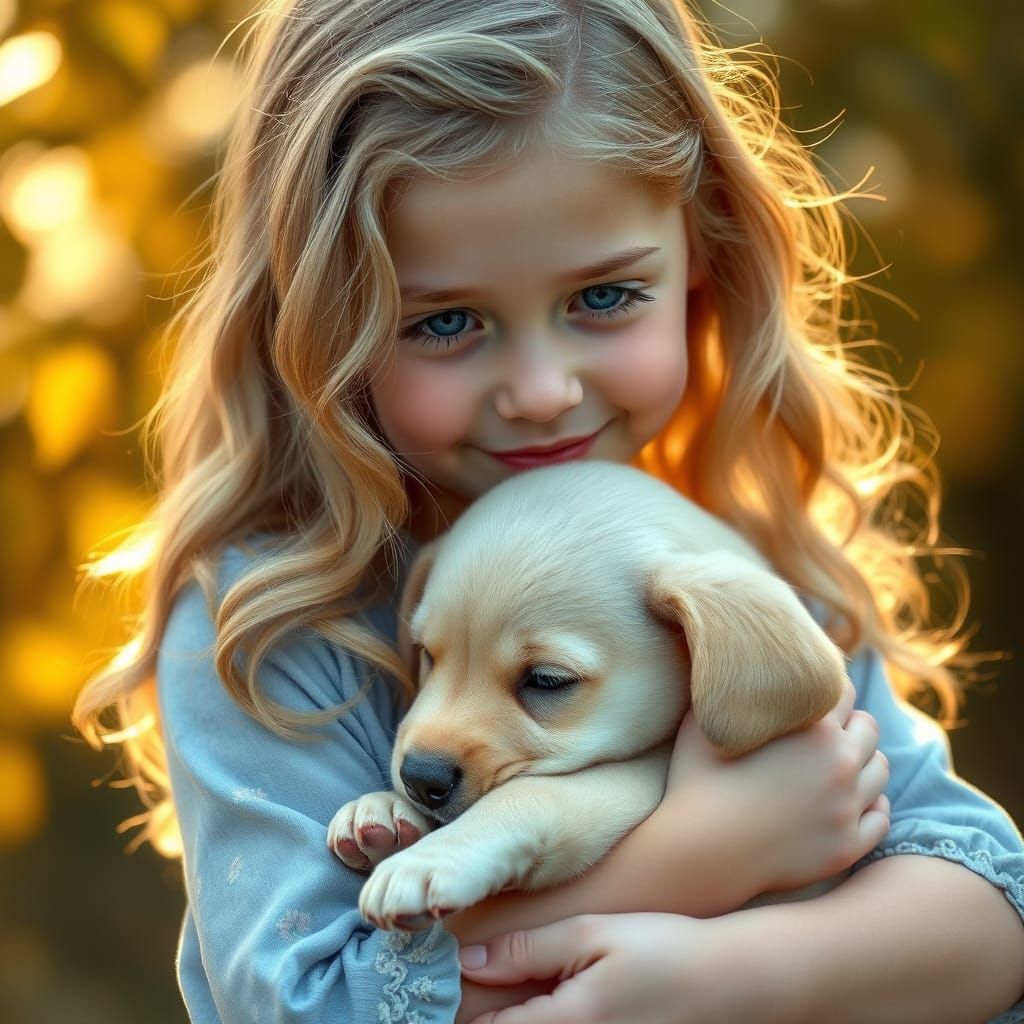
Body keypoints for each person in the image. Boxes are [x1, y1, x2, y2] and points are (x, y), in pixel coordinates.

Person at [72, 0, 1024, 1021]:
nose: (539, 389)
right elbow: (307, 1002)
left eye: (604, 297)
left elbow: (991, 920)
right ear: (321, 319)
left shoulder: (734, 568)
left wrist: (732, 977)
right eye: (446, 320)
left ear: (699, 255)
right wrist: (696, 859)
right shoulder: (265, 626)